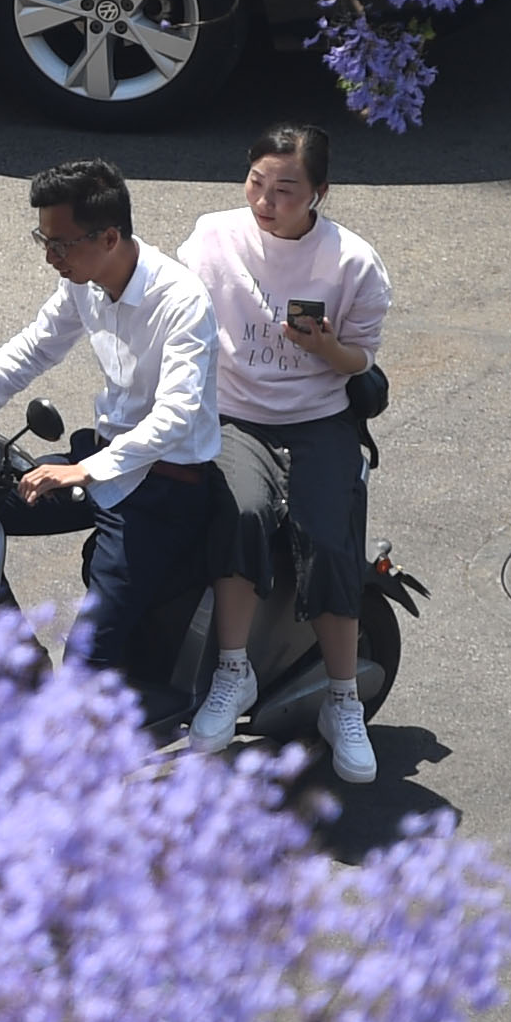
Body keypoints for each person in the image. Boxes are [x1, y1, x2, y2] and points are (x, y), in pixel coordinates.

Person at [0, 160, 255, 736]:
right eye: (43, 240)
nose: (50, 255)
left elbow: (175, 418)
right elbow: (35, 347)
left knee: (89, 656)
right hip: (99, 467)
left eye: (60, 243)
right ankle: (27, 675)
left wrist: (82, 470)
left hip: (160, 490)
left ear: (109, 237)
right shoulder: (84, 283)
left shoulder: (181, 302)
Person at [181, 126, 393, 785]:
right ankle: (233, 675)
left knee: (330, 543)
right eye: (257, 184)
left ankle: (342, 700)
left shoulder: (353, 262)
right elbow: (172, 309)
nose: (266, 203)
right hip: (234, 416)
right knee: (241, 512)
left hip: (319, 420)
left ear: (319, 193)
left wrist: (325, 348)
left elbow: (361, 358)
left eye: (285, 190)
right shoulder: (212, 237)